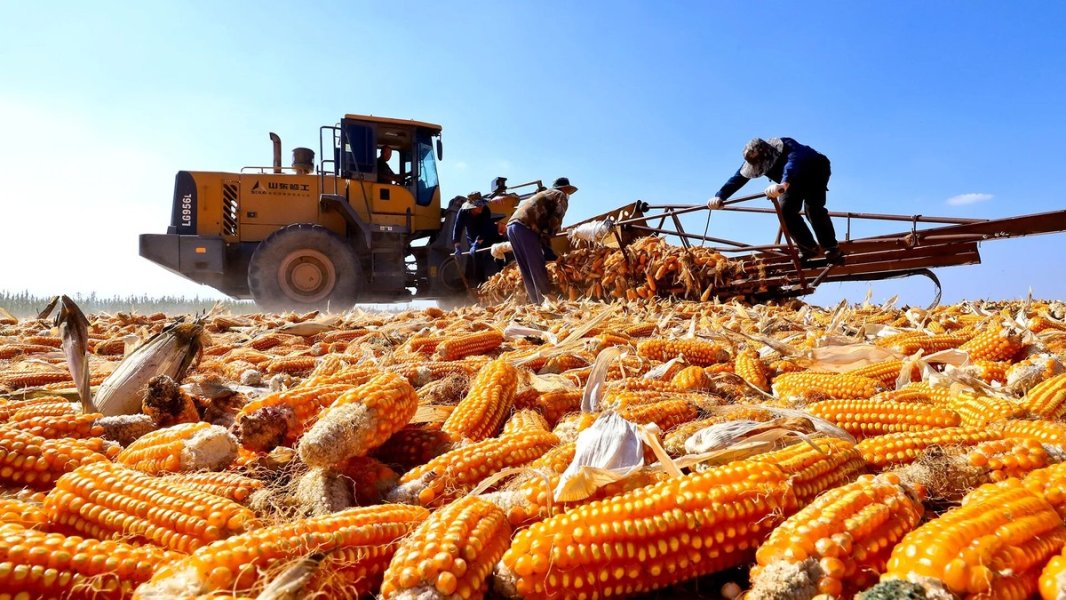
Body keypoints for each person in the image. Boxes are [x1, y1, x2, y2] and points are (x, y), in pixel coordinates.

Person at [708, 137, 843, 264]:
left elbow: (792, 163)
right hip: (789, 181)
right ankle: (808, 248)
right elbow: (738, 178)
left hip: (814, 171)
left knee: (813, 209)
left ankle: (831, 247)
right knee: (785, 211)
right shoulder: (753, 159)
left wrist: (784, 183)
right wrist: (720, 196)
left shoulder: (789, 146)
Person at [506, 177, 576, 304]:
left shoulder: (544, 194)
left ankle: (536, 303)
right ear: (565, 189)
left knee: (525, 268)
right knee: (536, 266)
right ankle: (547, 301)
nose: (568, 195)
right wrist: (549, 237)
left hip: (512, 226)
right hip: (526, 227)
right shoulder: (560, 195)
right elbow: (556, 218)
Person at [452, 192, 505, 284]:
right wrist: (457, 246)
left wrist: (477, 243)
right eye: (478, 206)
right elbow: (458, 228)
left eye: (482, 205)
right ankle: (480, 284)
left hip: (488, 234)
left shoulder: (485, 210)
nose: (481, 207)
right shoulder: (462, 212)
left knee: (498, 253)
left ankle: (502, 275)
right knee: (476, 260)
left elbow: (485, 229)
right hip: (472, 237)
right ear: (471, 207)